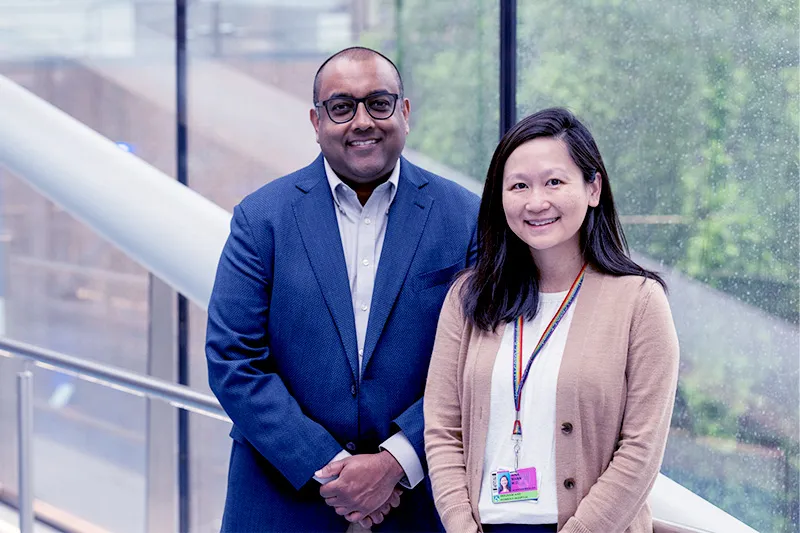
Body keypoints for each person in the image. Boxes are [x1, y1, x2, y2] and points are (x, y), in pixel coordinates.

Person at [205, 46, 479, 532]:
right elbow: (232, 359)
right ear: (316, 120)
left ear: (405, 112)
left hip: (424, 501)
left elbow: (480, 360)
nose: (362, 121)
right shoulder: (260, 218)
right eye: (341, 107)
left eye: (379, 103)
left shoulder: (467, 218)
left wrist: (397, 461)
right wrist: (331, 470)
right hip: (280, 496)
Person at [424, 108, 679, 533]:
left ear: (593, 187)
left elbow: (641, 449)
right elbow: (443, 430)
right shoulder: (469, 298)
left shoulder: (639, 302)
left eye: (554, 182)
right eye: (519, 185)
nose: (535, 201)